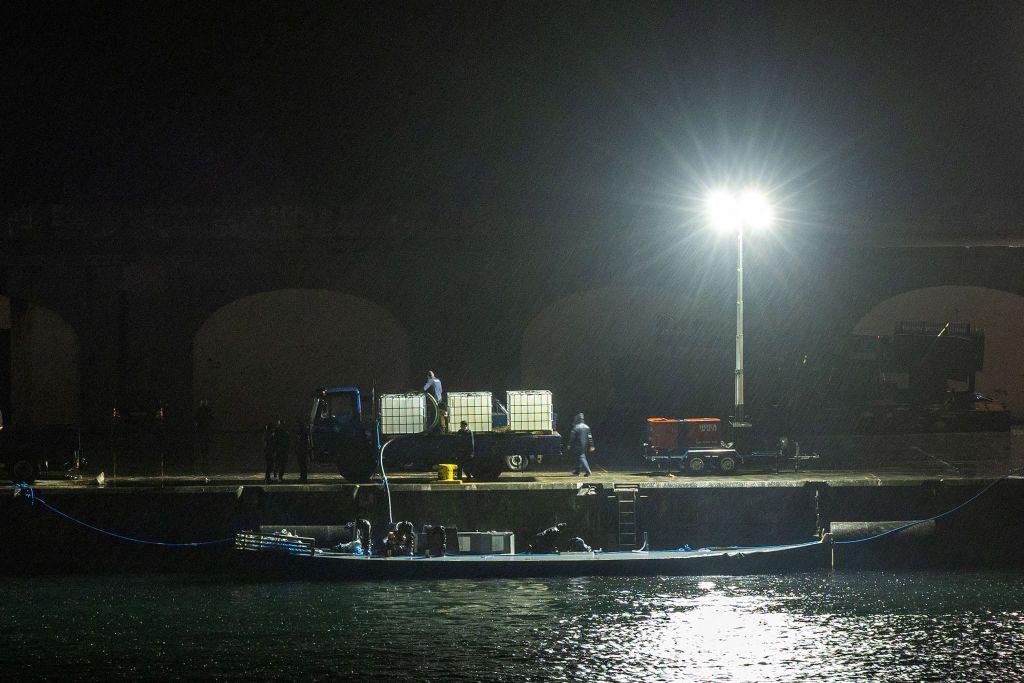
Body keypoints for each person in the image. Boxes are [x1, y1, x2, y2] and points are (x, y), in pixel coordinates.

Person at [567, 413, 594, 477]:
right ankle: (577, 471)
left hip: (577, 444)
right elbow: (590, 437)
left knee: (581, 457)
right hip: (585, 444)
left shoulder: (576, 427)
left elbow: (572, 437)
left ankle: (588, 470)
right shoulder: (587, 427)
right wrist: (591, 445)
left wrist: (569, 444)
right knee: (579, 457)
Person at [193, 399, 214, 476]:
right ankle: (205, 454)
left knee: (203, 442)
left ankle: (204, 454)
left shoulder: (201, 410)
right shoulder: (207, 410)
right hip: (204, 428)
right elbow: (211, 418)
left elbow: (196, 418)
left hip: (203, 428)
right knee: (205, 442)